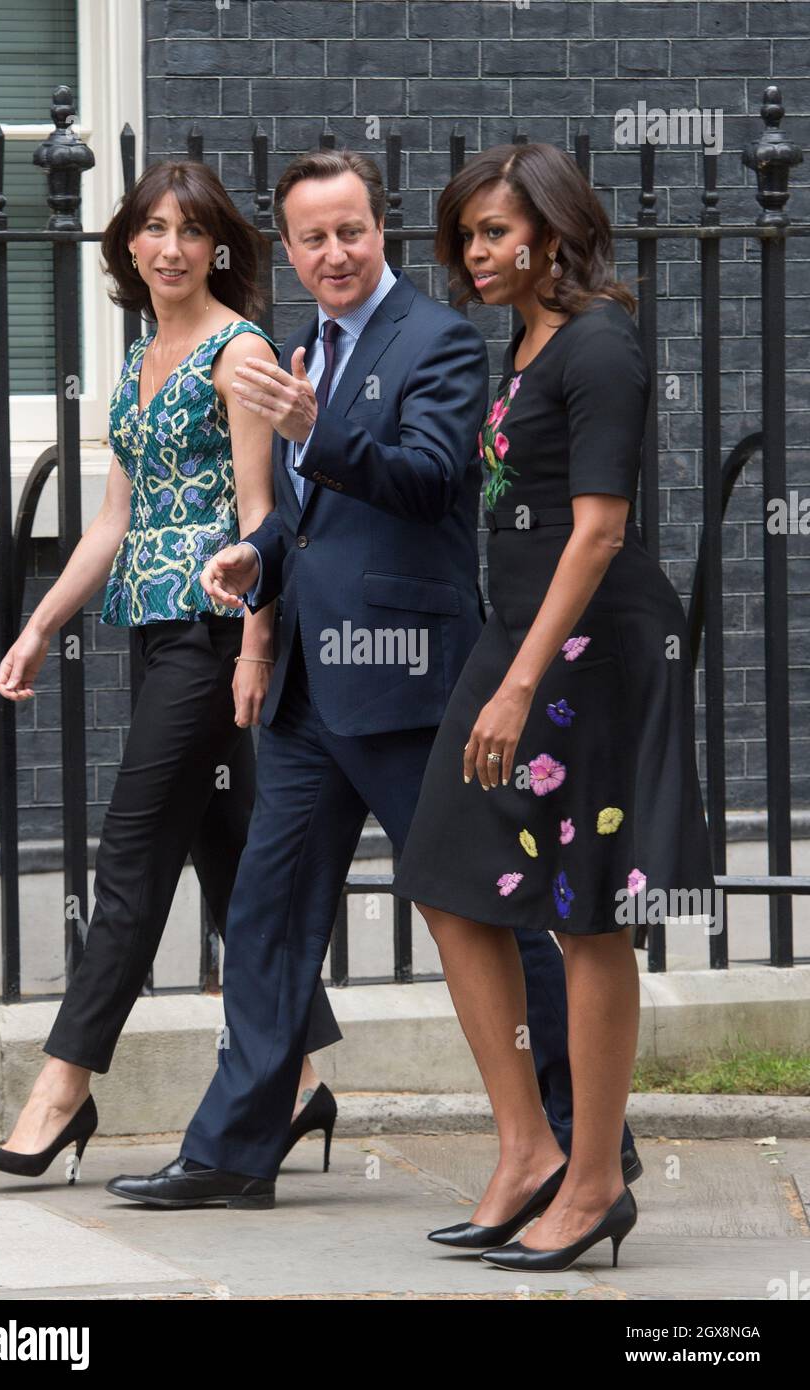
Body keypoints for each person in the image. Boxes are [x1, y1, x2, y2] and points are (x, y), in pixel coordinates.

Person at [104, 147, 642, 1213]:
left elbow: (427, 476)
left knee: (477, 909)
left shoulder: (436, 340)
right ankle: (233, 1146)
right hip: (309, 685)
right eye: (312, 238)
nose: (334, 252)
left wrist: (313, 427)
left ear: (378, 230)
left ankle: (584, 1141)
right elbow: (303, 512)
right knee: (263, 909)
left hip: (410, 683)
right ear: (291, 250)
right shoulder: (304, 343)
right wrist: (256, 558)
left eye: (351, 231)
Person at [0, 160, 339, 1184]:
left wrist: (257, 648)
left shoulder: (239, 349)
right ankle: (300, 1079)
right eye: (150, 229)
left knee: (128, 862)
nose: (169, 247)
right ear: (126, 246)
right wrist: (42, 624)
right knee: (229, 864)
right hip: (154, 633)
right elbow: (116, 520)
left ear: (218, 244)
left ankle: (58, 1095)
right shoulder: (138, 358)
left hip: (216, 637)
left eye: (189, 230)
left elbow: (264, 518)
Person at [392, 143, 718, 1272]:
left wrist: (522, 678)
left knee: (584, 916)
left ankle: (590, 1180)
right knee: (443, 874)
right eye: (465, 236)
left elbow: (596, 528)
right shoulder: (523, 344)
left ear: (550, 228)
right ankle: (526, 1148)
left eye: (491, 233)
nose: (472, 254)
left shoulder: (600, 341)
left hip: (586, 651)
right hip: (517, 635)